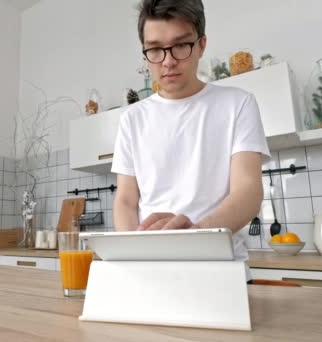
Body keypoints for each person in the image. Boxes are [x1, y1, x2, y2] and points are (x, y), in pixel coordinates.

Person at [111, 0, 270, 272]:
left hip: (220, 266)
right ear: (145, 53)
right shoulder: (132, 118)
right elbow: (126, 200)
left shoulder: (238, 104)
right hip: (149, 267)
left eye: (181, 46)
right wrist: (132, 254)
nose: (168, 61)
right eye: (155, 50)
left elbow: (248, 192)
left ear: (201, 45)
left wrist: (194, 235)